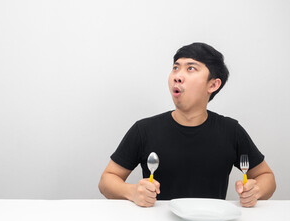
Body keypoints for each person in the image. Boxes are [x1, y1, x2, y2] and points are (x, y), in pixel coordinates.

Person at [98, 42, 276, 208]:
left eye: (191, 68)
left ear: (213, 84)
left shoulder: (231, 131)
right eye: (175, 68)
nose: (177, 76)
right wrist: (132, 192)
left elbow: (266, 177)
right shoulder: (144, 130)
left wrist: (256, 191)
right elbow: (107, 180)